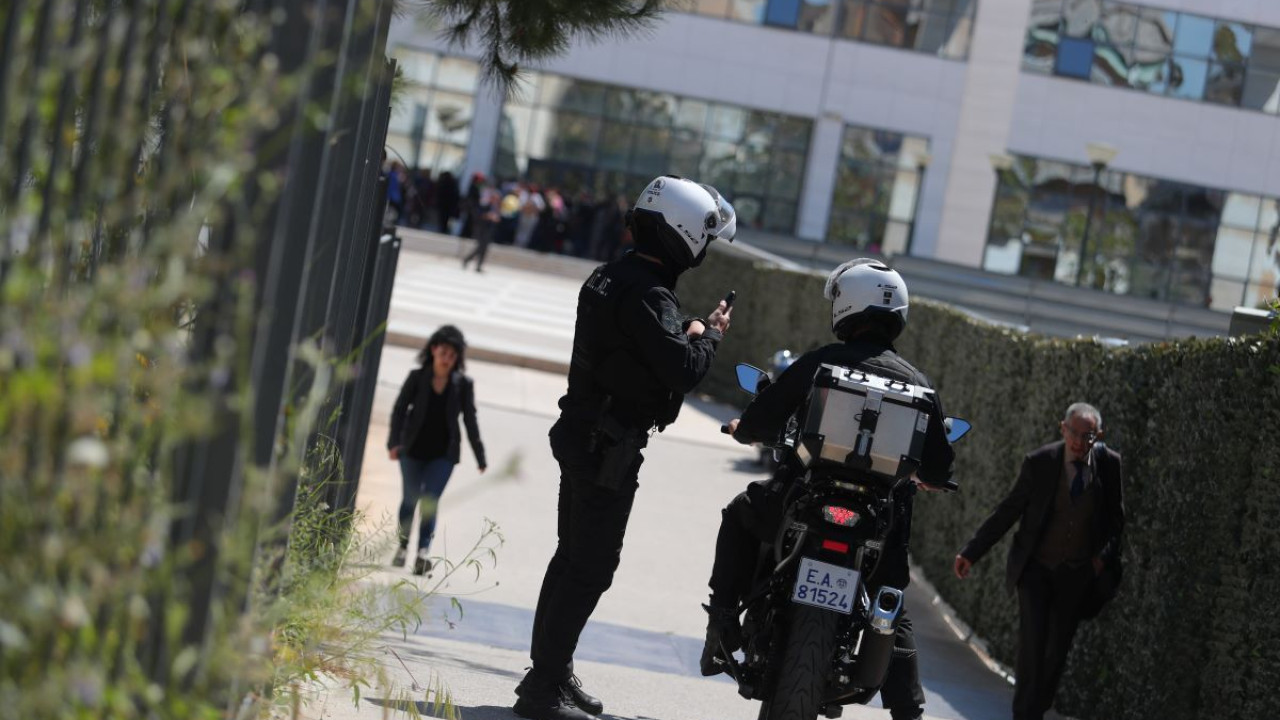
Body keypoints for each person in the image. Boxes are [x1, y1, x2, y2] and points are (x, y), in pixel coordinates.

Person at [514, 176, 738, 720]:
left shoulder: (610, 276)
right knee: (590, 568)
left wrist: (684, 329)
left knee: (571, 559)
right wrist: (709, 333)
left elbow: (638, 351)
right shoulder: (649, 293)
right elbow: (683, 371)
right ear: (684, 234)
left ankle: (550, 672)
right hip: (605, 448)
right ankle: (542, 688)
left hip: (584, 433)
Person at [705, 259, 956, 720]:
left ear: (847, 306)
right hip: (877, 521)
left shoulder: (821, 362)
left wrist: (746, 429)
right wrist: (927, 477)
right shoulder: (919, 384)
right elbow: (940, 467)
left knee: (740, 514)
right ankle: (908, 710)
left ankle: (721, 620)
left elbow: (763, 418)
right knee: (890, 595)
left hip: (803, 500)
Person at [953, 403, 1125, 720]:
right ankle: (1024, 714)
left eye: (1087, 436)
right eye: (1073, 433)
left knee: (1056, 651)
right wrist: (971, 552)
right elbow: (1009, 510)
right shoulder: (1040, 462)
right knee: (1032, 646)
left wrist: (1100, 560)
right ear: (1063, 428)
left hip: (1076, 574)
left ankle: (1037, 709)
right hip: (1035, 569)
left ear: (1098, 435)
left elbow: (1116, 521)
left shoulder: (1109, 464)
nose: (1079, 442)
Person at [387, 325, 487, 575]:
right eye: (443, 353)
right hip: (411, 450)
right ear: (433, 350)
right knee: (410, 499)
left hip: (443, 455)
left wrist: (480, 456)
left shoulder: (463, 385)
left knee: (430, 501)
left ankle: (422, 552)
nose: (447, 359)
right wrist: (394, 443)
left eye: (452, 356)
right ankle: (403, 546)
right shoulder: (417, 377)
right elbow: (399, 410)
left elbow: (470, 420)